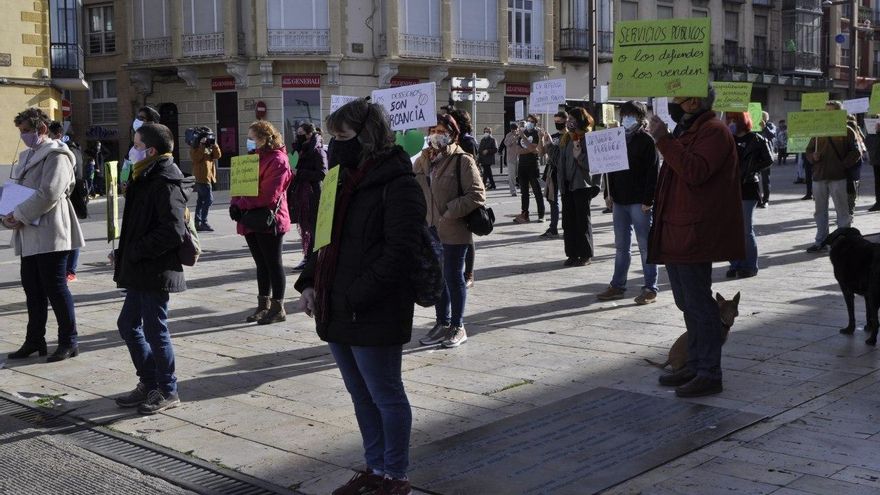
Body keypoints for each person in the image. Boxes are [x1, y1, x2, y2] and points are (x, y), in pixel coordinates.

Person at [294, 99, 427, 495]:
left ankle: (395, 476)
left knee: (385, 393)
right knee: (360, 394)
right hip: (337, 305)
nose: (335, 145)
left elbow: (400, 252)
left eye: (343, 136)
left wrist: (356, 295)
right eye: (332, 137)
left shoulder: (399, 183)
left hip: (373, 307)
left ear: (367, 136)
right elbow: (321, 240)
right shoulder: (337, 179)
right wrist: (308, 283)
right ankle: (374, 467)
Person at [646, 88, 744, 398]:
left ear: (693, 102)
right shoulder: (688, 131)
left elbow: (694, 170)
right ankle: (694, 363)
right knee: (687, 303)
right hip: (677, 230)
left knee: (701, 305)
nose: (673, 103)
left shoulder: (714, 132)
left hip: (694, 233)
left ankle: (709, 373)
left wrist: (663, 140)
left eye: (677, 98)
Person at [112, 123, 189, 414]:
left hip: (155, 270)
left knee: (155, 330)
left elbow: (172, 230)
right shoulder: (145, 175)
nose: (132, 150)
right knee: (127, 324)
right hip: (140, 267)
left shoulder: (165, 181)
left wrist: (136, 250)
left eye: (137, 145)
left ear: (151, 150)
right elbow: (140, 225)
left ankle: (168, 390)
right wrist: (123, 251)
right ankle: (149, 381)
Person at [4, 108, 84, 363]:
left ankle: (69, 341)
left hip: (51, 230)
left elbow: (49, 193)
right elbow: (19, 190)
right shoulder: (27, 156)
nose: (23, 136)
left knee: (56, 288)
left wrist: (19, 213)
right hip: (29, 232)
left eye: (27, 131)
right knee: (32, 289)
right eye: (21, 131)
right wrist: (8, 213)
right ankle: (35, 339)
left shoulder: (57, 155)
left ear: (41, 129)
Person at [414, 113, 485, 349]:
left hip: (454, 229)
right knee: (438, 279)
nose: (435, 134)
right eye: (432, 130)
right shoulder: (423, 159)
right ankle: (442, 323)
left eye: (441, 130)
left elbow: (476, 194)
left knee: (454, 278)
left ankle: (458, 325)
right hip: (430, 229)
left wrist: (448, 212)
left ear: (452, 133)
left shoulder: (462, 160)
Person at [596, 101, 660, 304]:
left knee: (645, 246)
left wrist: (648, 199)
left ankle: (650, 287)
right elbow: (609, 168)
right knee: (621, 246)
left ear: (641, 118)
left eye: (631, 115)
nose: (626, 119)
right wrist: (608, 193)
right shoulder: (617, 138)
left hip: (640, 201)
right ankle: (617, 285)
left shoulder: (647, 141)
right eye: (624, 115)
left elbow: (653, 173)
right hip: (620, 200)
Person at [230, 121, 293, 324]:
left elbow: (268, 194)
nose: (249, 141)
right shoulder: (252, 158)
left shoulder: (278, 160)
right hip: (249, 217)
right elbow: (240, 184)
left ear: (266, 138)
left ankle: (278, 308)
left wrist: (242, 205)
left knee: (273, 263)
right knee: (261, 264)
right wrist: (235, 203)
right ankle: (262, 306)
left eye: (252, 138)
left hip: (268, 218)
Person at [805, 101, 859, 253]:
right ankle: (821, 241)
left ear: (838, 113)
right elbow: (808, 150)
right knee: (819, 211)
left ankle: (843, 242)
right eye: (826, 110)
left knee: (842, 211)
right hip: (819, 177)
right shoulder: (817, 130)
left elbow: (856, 152)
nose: (827, 113)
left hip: (838, 177)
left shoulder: (847, 130)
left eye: (831, 111)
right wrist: (812, 157)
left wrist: (843, 165)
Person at [724, 111, 773, 279]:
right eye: (728, 119)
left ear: (742, 121)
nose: (730, 122)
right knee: (730, 230)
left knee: (745, 229)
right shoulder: (727, 139)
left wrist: (751, 169)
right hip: (729, 188)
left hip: (747, 187)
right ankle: (735, 264)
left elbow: (769, 159)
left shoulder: (756, 139)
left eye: (733, 120)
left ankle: (750, 265)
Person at [557, 107, 599, 266]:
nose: (569, 122)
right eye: (569, 119)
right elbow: (559, 160)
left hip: (582, 184)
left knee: (582, 221)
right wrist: (547, 145)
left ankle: (586, 254)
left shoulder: (588, 138)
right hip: (567, 185)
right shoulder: (566, 138)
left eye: (573, 120)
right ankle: (572, 254)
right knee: (568, 222)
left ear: (581, 120)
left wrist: (579, 155)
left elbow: (593, 165)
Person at [48, 121, 83, 282]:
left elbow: (73, 178)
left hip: (71, 199)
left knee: (71, 234)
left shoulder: (68, 151)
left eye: (49, 134)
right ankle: (66, 269)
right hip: (69, 198)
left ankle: (70, 270)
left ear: (58, 135)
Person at [289, 122, 327, 270]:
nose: (297, 137)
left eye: (300, 134)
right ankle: (309, 257)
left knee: (312, 228)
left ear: (309, 134)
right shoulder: (300, 151)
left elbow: (322, 173)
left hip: (313, 194)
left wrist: (301, 173)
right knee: (306, 227)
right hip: (301, 193)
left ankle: (311, 259)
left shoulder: (317, 151)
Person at [512, 114, 547, 224]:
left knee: (537, 191)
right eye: (528, 120)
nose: (529, 123)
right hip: (522, 165)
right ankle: (525, 214)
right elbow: (518, 150)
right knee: (524, 192)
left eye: (531, 121)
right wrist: (530, 148)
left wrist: (524, 139)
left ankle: (541, 214)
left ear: (535, 123)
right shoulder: (524, 132)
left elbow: (536, 149)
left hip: (532, 165)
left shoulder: (536, 133)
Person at [540, 111, 568, 239]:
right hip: (552, 171)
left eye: (559, 122)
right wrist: (542, 140)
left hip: (564, 171)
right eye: (555, 122)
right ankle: (553, 227)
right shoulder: (554, 136)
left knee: (566, 199)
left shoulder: (568, 136)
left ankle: (567, 227)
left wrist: (551, 144)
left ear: (566, 121)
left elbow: (560, 156)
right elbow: (542, 153)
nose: (557, 124)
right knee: (552, 200)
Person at [190, 128, 221, 232]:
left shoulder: (209, 146)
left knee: (201, 201)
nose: (208, 139)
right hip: (201, 178)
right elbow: (196, 158)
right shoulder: (195, 147)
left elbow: (217, 156)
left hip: (208, 176)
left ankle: (197, 221)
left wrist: (214, 144)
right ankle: (203, 222)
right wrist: (202, 145)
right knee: (208, 200)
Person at [845, 115, 867, 216]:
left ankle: (849, 209)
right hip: (853, 162)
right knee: (852, 184)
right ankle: (850, 209)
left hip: (852, 162)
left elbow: (862, 144)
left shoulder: (853, 129)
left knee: (850, 185)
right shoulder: (854, 129)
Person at [758, 111, 776, 208]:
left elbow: (771, 135)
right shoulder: (755, 126)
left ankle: (765, 200)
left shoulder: (770, 125)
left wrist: (764, 127)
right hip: (756, 156)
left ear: (766, 118)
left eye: (762, 117)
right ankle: (757, 199)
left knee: (765, 180)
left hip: (766, 157)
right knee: (755, 179)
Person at [502, 123, 520, 196]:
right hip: (511, 159)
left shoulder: (520, 134)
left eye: (516, 129)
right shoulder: (508, 135)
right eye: (513, 130)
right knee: (511, 176)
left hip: (520, 158)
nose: (515, 131)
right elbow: (507, 143)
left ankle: (524, 189)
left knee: (521, 175)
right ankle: (513, 191)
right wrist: (514, 138)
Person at [871, 120, 880, 212]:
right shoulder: (873, 132)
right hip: (877, 160)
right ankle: (878, 202)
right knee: (877, 182)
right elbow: (869, 143)